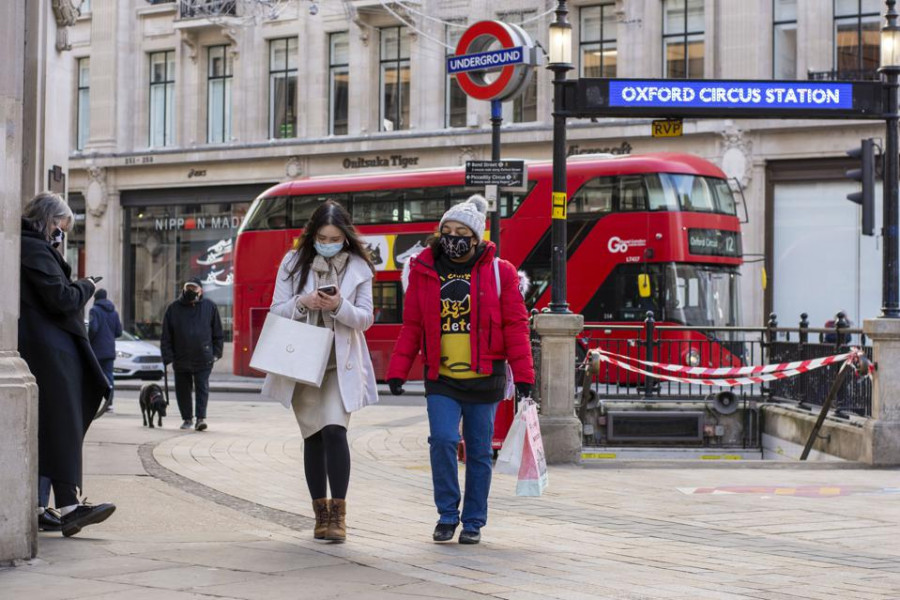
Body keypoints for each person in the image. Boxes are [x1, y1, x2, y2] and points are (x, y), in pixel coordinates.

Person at [386, 194, 535, 545]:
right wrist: (398, 369)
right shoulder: (424, 269)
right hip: (442, 378)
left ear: (476, 237)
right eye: (447, 231)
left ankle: (473, 521)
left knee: (479, 452)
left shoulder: (501, 272)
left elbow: (516, 326)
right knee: (443, 440)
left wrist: (524, 376)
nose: (453, 238)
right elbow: (412, 325)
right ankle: (447, 515)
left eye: (462, 233)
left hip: (485, 376)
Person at [265, 200, 377, 543]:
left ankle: (339, 516)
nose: (328, 243)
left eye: (335, 239)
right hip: (302, 362)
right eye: (322, 238)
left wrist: (339, 305)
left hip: (338, 364)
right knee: (313, 436)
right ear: (312, 235)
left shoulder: (359, 266)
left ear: (346, 237)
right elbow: (276, 310)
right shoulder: (293, 262)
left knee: (335, 431)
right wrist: (304, 302)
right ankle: (321, 515)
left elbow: (366, 318)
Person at [19, 191, 116, 537]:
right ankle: (70, 509)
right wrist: (86, 286)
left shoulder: (29, 248)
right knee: (62, 426)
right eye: (62, 225)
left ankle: (40, 506)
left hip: (45, 349)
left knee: (50, 428)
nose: (63, 233)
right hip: (50, 352)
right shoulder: (33, 250)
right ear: (48, 220)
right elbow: (61, 299)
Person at [160, 277, 224, 431]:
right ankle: (187, 419)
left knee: (202, 388)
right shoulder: (173, 308)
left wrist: (216, 353)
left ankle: (200, 418)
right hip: (181, 357)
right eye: (188, 287)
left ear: (200, 291)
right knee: (183, 390)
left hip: (204, 357)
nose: (190, 291)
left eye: (193, 288)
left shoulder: (210, 307)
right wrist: (167, 356)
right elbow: (166, 335)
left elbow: (217, 332)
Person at [88, 289, 122, 413]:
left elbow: (93, 328)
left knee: (94, 377)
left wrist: (88, 340)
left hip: (96, 350)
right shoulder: (114, 312)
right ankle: (109, 403)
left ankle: (93, 403)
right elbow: (119, 332)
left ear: (96, 298)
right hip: (109, 351)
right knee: (109, 377)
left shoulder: (94, 310)